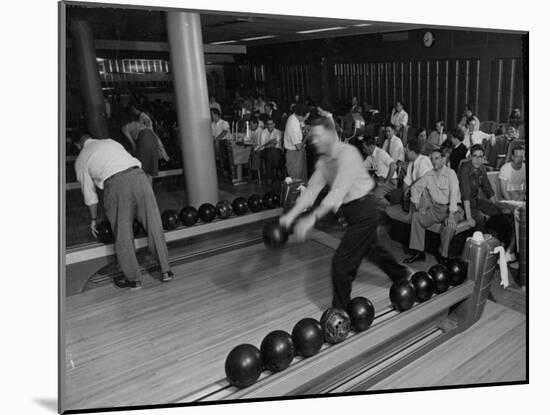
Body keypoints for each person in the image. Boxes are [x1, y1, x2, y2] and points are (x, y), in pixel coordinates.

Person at [279, 117, 409, 310]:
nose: (313, 141)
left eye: (317, 136)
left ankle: (339, 313)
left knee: (341, 264)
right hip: (352, 212)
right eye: (312, 137)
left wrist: (311, 219)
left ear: (331, 135)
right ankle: (400, 274)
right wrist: (291, 215)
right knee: (371, 249)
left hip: (365, 210)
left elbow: (337, 191)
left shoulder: (348, 154)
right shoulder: (324, 161)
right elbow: (312, 190)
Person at [75, 135, 174, 290]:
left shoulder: (81, 158)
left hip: (116, 184)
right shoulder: (110, 141)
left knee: (123, 232)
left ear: (78, 145)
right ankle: (166, 270)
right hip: (139, 177)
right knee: (154, 223)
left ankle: (133, 279)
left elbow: (90, 196)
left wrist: (94, 219)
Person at [403, 148, 463, 264]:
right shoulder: (428, 175)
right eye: (432, 159)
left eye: (437, 158)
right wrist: (417, 203)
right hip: (436, 209)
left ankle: (443, 256)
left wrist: (451, 215)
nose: (434, 161)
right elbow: (415, 188)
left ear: (443, 159)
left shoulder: (451, 174)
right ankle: (419, 252)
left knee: (449, 226)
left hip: (454, 209)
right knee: (417, 217)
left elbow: (454, 196)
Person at [458, 144, 501, 230]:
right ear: (470, 156)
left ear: (483, 158)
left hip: (475, 201)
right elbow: (465, 195)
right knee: (480, 217)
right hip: (462, 204)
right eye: (475, 156)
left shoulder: (482, 168)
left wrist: (497, 204)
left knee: (496, 211)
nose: (477, 159)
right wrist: (469, 218)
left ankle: (494, 238)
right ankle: (479, 240)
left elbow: (487, 188)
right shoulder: (465, 169)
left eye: (480, 156)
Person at [362, 137, 398, 207]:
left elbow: (393, 166)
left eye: (365, 147)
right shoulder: (370, 156)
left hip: (391, 182)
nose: (364, 150)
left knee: (375, 196)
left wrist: (386, 182)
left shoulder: (381, 153)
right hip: (380, 180)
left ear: (370, 146)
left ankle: (390, 208)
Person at [283, 103, 309, 181]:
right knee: (296, 180)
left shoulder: (294, 116)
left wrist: (305, 127)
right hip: (294, 155)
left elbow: (302, 125)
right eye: (306, 118)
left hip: (299, 153)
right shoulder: (293, 126)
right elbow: (298, 147)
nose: (306, 119)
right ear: (300, 116)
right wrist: (307, 137)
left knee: (302, 178)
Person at [258, 118, 283, 184]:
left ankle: (269, 177)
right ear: (266, 125)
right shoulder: (264, 132)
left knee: (272, 152)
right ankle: (276, 168)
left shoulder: (278, 132)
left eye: (271, 124)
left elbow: (275, 144)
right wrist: (270, 142)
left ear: (274, 124)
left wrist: (268, 144)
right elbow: (263, 146)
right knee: (270, 152)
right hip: (266, 151)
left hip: (277, 150)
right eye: (268, 124)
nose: (269, 126)